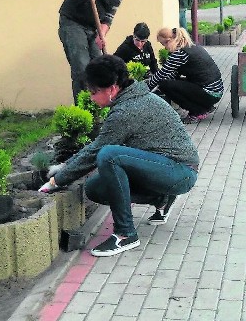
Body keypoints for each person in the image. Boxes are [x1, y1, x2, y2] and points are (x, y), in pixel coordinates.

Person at [39, 55, 199, 257]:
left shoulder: (127, 110)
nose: (91, 97)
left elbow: (96, 151)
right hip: (166, 168)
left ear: (112, 88)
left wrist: (57, 180)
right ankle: (161, 198)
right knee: (94, 188)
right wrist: (64, 169)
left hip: (180, 172)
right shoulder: (133, 98)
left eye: (94, 92)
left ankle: (125, 234)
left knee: (109, 155)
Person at [58, 0, 143, 102]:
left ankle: (101, 105)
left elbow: (108, 18)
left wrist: (101, 34)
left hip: (92, 29)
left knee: (100, 66)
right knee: (82, 67)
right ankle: (84, 107)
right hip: (72, 23)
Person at [147, 27, 223, 123]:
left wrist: (145, 88)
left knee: (164, 85)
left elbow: (161, 75)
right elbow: (172, 74)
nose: (165, 48)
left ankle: (197, 112)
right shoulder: (191, 45)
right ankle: (205, 107)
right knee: (172, 83)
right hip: (216, 90)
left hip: (209, 92)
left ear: (169, 41)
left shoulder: (180, 53)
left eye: (163, 44)